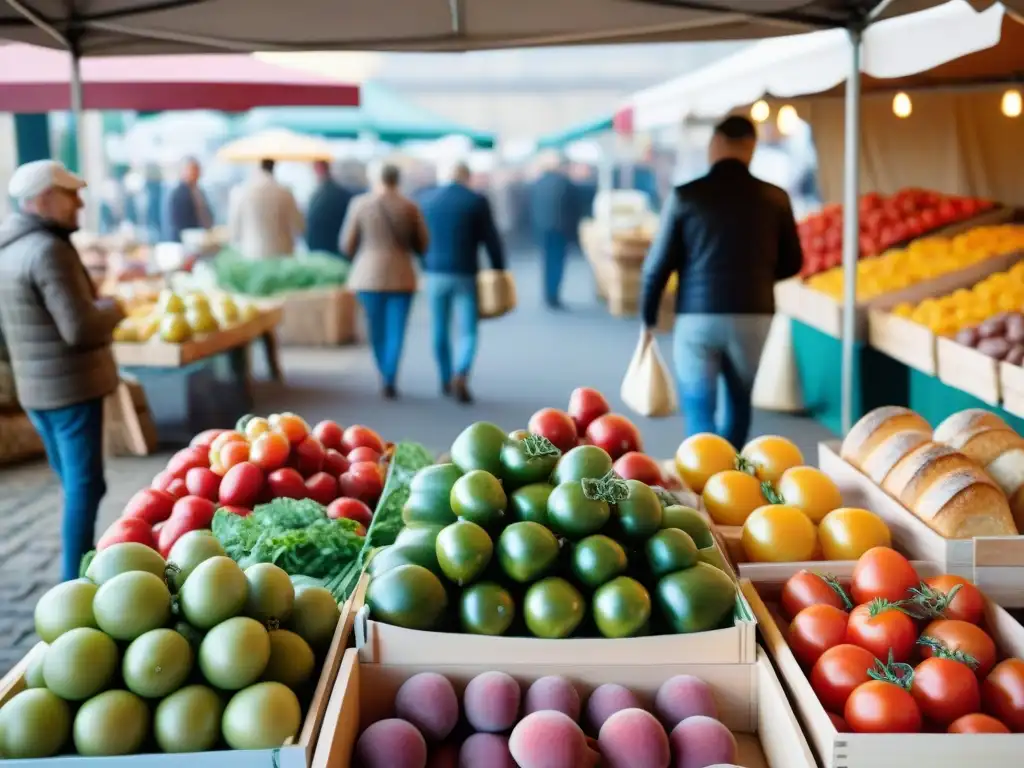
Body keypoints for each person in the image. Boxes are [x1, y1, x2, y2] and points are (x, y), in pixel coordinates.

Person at [640, 115, 803, 448]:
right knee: (740, 401)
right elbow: (793, 262)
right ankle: (731, 475)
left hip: (697, 316)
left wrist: (647, 318)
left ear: (715, 144)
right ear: (751, 148)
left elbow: (657, 266)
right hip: (754, 315)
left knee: (699, 408)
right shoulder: (776, 198)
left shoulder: (686, 195)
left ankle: (703, 479)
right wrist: (756, 276)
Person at [0, 160, 125, 582]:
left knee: (75, 484)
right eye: (71, 195)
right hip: (71, 389)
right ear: (45, 197)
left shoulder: (10, 246)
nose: (79, 203)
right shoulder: (49, 249)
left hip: (36, 390)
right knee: (85, 488)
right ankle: (74, 581)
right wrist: (116, 307)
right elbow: (81, 328)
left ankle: (78, 573)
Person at [419, 162, 505, 403]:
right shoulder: (476, 200)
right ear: (467, 177)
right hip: (465, 272)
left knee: (439, 328)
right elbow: (491, 238)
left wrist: (422, 264)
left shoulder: (427, 199)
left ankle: (445, 378)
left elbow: (419, 238)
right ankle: (461, 372)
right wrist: (499, 268)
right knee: (468, 329)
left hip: (434, 273)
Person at [341, 163, 428, 399]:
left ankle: (382, 372)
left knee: (375, 328)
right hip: (402, 275)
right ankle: (390, 375)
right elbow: (422, 244)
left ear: (375, 178)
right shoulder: (410, 206)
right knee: (396, 329)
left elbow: (346, 244)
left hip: (368, 276)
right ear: (397, 179)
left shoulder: (360, 204)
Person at [228, 158, 304, 259]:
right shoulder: (286, 193)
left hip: (252, 256)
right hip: (283, 256)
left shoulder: (242, 192)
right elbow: (299, 226)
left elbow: (234, 231)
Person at [529, 156, 578, 308]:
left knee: (547, 261)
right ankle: (554, 295)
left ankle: (547, 294)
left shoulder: (538, 183)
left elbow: (532, 207)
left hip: (543, 228)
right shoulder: (565, 183)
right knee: (557, 262)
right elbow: (572, 208)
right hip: (560, 229)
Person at [305, 160, 354, 257]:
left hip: (323, 251)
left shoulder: (320, 194)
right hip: (336, 252)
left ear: (319, 169)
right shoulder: (342, 193)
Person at [162, 156, 213, 242]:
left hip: (199, 238)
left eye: (197, 170)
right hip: (184, 240)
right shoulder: (179, 193)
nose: (195, 174)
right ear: (184, 171)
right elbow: (177, 223)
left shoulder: (199, 192)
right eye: (192, 170)